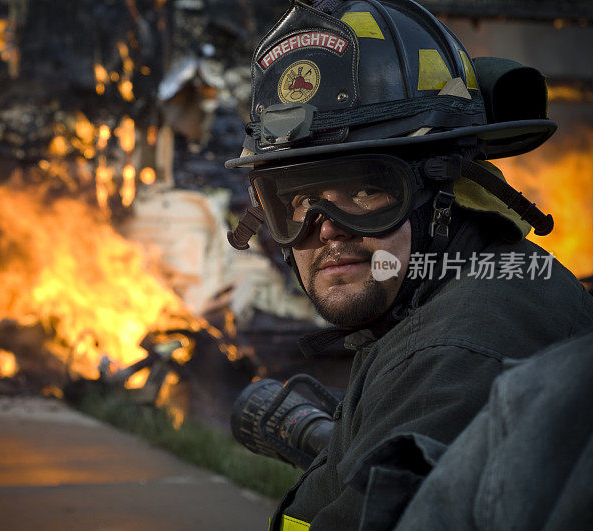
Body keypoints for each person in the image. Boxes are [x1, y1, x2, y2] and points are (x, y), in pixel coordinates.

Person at [224, 0, 593, 529]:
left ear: (444, 192)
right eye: (300, 203)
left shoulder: (454, 351)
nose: (326, 227)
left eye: (368, 189)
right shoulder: (463, 289)